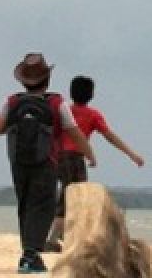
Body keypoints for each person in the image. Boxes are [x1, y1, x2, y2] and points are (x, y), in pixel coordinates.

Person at [0, 53, 95, 275]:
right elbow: (73, 132)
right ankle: (30, 256)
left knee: (25, 205)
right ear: (47, 79)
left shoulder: (12, 101)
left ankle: (28, 252)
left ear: (23, 81)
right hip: (47, 162)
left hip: (18, 162)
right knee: (43, 206)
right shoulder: (56, 102)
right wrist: (89, 153)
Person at [45, 74, 145, 251]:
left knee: (70, 196)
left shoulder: (64, 110)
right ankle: (54, 238)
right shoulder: (93, 114)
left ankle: (65, 234)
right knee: (73, 198)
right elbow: (110, 137)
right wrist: (132, 154)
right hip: (74, 158)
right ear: (91, 95)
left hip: (58, 157)